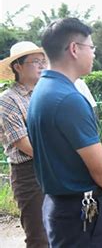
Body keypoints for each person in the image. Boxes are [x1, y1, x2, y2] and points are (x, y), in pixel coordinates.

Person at [27, 18, 102, 248]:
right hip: (79, 213)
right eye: (91, 48)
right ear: (74, 49)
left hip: (60, 207)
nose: (93, 54)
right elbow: (99, 165)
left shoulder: (43, 89)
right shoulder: (67, 98)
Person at [0, 41, 48, 248]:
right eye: (35, 61)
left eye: (43, 61)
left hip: (51, 167)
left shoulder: (44, 94)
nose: (42, 65)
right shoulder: (8, 100)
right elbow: (25, 144)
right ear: (17, 67)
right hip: (28, 173)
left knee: (59, 228)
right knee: (38, 235)